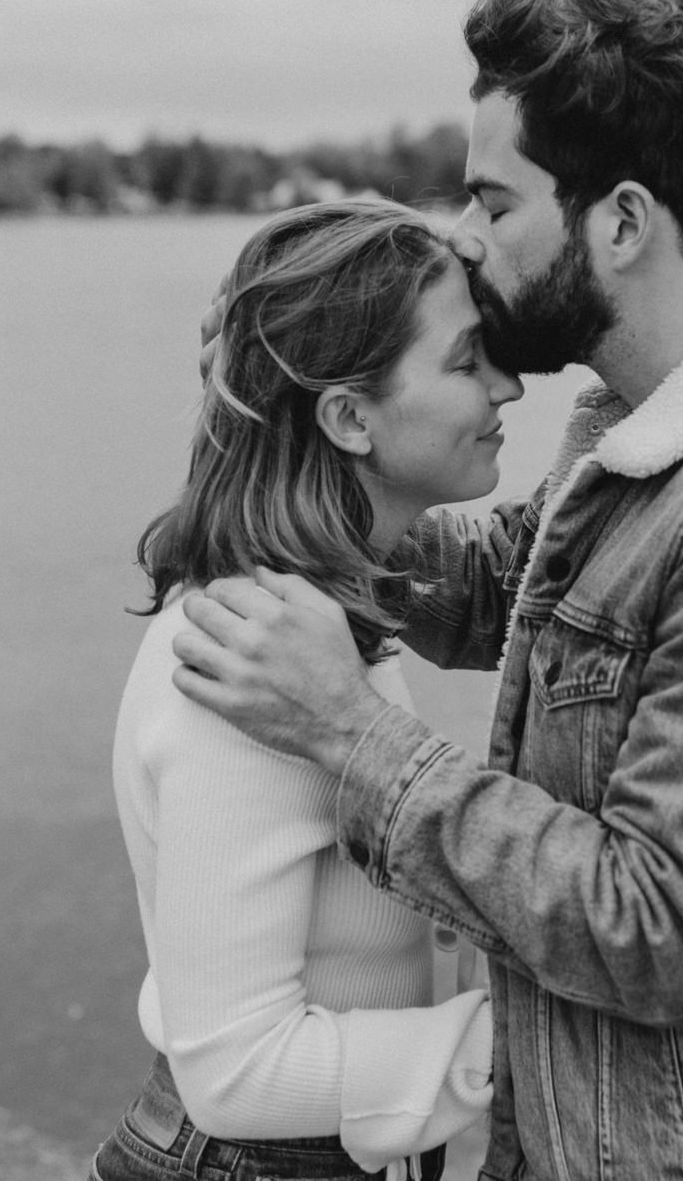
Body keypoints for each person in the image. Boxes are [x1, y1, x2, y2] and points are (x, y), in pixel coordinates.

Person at [172, 0, 683, 1181]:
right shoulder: (654, 417)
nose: (460, 233)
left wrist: (352, 735)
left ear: (617, 221)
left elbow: (659, 924)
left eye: (494, 203)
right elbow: (514, 576)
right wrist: (304, 508)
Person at [94, 200, 523, 1181]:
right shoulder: (242, 658)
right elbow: (233, 1070)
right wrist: (523, 1044)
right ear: (345, 415)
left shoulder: (317, 619)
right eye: (465, 361)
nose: (506, 384)